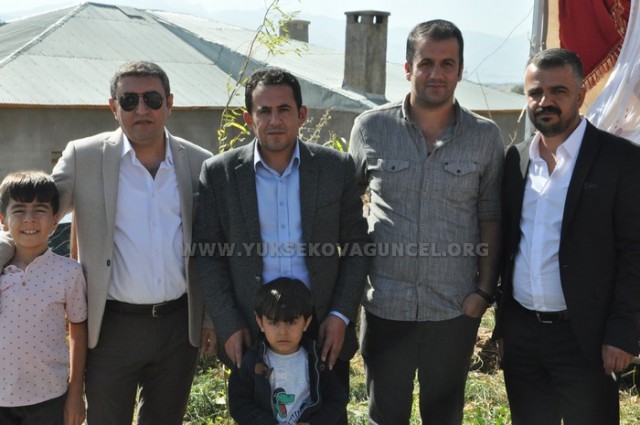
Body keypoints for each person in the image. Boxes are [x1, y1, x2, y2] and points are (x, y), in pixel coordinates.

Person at [0, 61, 216, 425]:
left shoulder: (200, 163)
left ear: (169, 103)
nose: (141, 109)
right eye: (129, 100)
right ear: (113, 107)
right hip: (111, 327)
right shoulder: (83, 157)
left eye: (152, 99)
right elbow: (36, 217)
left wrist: (208, 318)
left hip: (179, 327)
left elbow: (212, 246)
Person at [348, 19, 504, 425]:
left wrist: (483, 291)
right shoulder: (371, 127)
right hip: (386, 306)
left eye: (447, 63)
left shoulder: (485, 137)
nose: (437, 73)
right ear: (408, 68)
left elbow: (491, 216)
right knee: (385, 416)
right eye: (426, 63)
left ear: (460, 70)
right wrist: (354, 286)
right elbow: (347, 208)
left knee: (444, 417)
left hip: (453, 309)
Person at [193, 68, 369, 409]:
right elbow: (209, 256)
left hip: (321, 328)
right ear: (249, 119)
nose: (275, 120)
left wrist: (341, 315)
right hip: (252, 329)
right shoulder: (220, 174)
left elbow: (357, 247)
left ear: (301, 114)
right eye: (264, 111)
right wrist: (229, 324)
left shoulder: (335, 168)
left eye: (284, 109)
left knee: (325, 416)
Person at [494, 48, 640, 425]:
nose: (545, 101)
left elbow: (635, 252)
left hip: (586, 337)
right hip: (523, 335)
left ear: (580, 94)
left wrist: (623, 333)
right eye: (535, 92)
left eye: (558, 91)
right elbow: (508, 245)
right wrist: (504, 326)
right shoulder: (516, 160)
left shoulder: (620, 160)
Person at [0, 171, 87, 425]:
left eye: (40, 210)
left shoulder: (69, 272)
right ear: (3, 220)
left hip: (50, 397)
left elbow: (78, 331)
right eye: (19, 210)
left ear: (55, 220)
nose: (29, 218)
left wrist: (75, 392)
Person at [228, 278, 348, 425]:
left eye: (291, 322)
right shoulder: (252, 360)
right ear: (260, 322)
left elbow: (337, 399)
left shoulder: (317, 360)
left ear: (307, 322)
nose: (282, 332)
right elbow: (239, 404)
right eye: (273, 322)